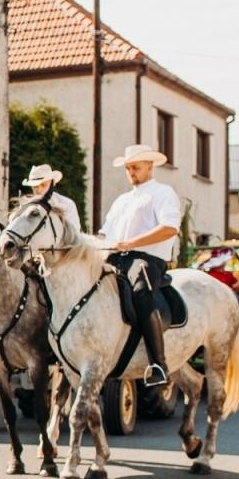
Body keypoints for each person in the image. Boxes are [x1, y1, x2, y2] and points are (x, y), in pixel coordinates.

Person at [98, 143, 181, 386]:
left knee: (141, 292)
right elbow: (105, 233)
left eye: (135, 167)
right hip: (114, 257)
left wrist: (131, 243)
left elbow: (169, 228)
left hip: (146, 258)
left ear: (149, 166)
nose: (131, 172)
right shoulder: (121, 200)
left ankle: (159, 364)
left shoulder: (163, 193)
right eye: (128, 168)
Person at [22, 163, 82, 233]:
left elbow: (73, 232)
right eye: (35, 186)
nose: (39, 190)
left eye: (43, 185)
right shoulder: (26, 206)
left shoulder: (67, 204)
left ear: (52, 183)